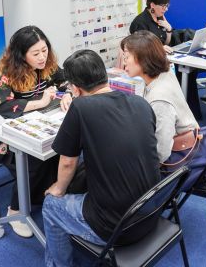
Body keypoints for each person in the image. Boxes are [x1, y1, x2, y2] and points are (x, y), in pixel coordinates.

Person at [42, 50, 160, 267]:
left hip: (116, 228)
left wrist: (58, 189)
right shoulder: (141, 103)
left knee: (51, 205)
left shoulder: (80, 107)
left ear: (75, 89)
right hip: (150, 212)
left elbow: (67, 162)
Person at [0, 25, 72, 238]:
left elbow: (66, 81)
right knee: (34, 159)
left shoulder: (48, 64)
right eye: (35, 53)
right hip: (10, 134)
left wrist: (68, 93)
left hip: (40, 124)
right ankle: (15, 211)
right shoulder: (9, 74)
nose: (42, 57)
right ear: (21, 55)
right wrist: (41, 102)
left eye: (44, 50)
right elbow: (3, 106)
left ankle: (51, 191)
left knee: (64, 146)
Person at [120, 31, 199, 162]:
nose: (124, 63)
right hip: (178, 139)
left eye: (126, 57)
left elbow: (160, 153)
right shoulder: (163, 74)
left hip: (178, 155)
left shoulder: (159, 100)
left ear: (143, 59)